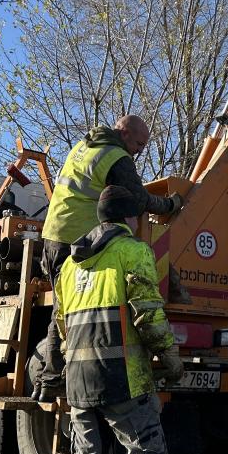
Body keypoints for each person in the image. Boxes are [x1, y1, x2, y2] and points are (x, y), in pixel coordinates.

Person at [50, 185, 184, 454]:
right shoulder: (132, 251)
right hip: (121, 379)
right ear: (129, 217)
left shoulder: (69, 266)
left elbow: (62, 325)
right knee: (146, 453)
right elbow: (148, 313)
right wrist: (169, 355)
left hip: (79, 383)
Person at [36, 115, 182, 399]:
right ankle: (56, 379)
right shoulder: (116, 156)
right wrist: (170, 204)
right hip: (76, 237)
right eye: (139, 143)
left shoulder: (85, 145)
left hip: (55, 233)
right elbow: (139, 199)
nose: (140, 150)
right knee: (71, 313)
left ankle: (52, 379)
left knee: (65, 309)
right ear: (125, 133)